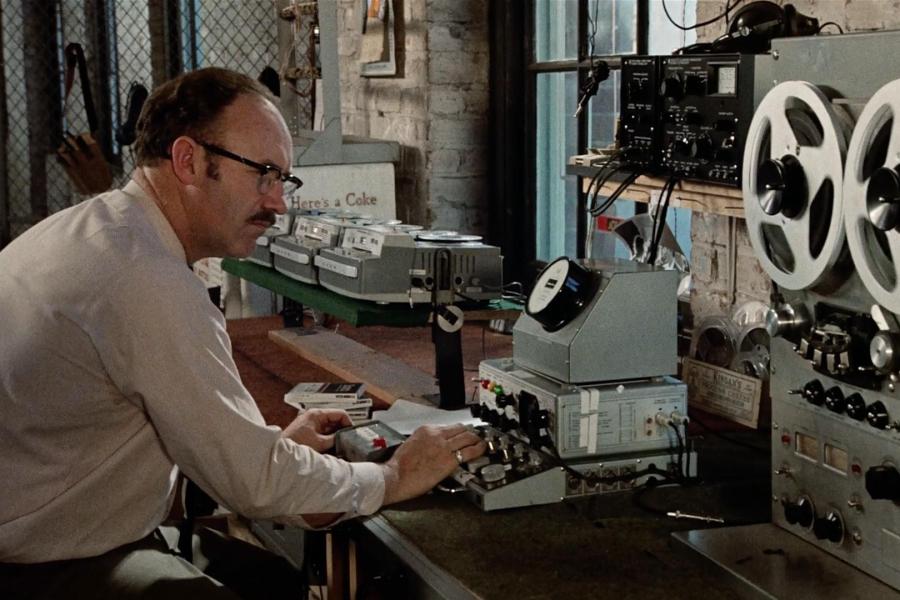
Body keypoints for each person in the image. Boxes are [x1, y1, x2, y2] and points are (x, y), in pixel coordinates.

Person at [0, 67, 486, 598]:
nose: (278, 203)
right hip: (40, 565)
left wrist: (264, 449)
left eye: (283, 180)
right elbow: (259, 486)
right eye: (264, 174)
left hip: (57, 527)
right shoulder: (144, 279)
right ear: (189, 161)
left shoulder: (101, 233)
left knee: (273, 580)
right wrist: (396, 476)